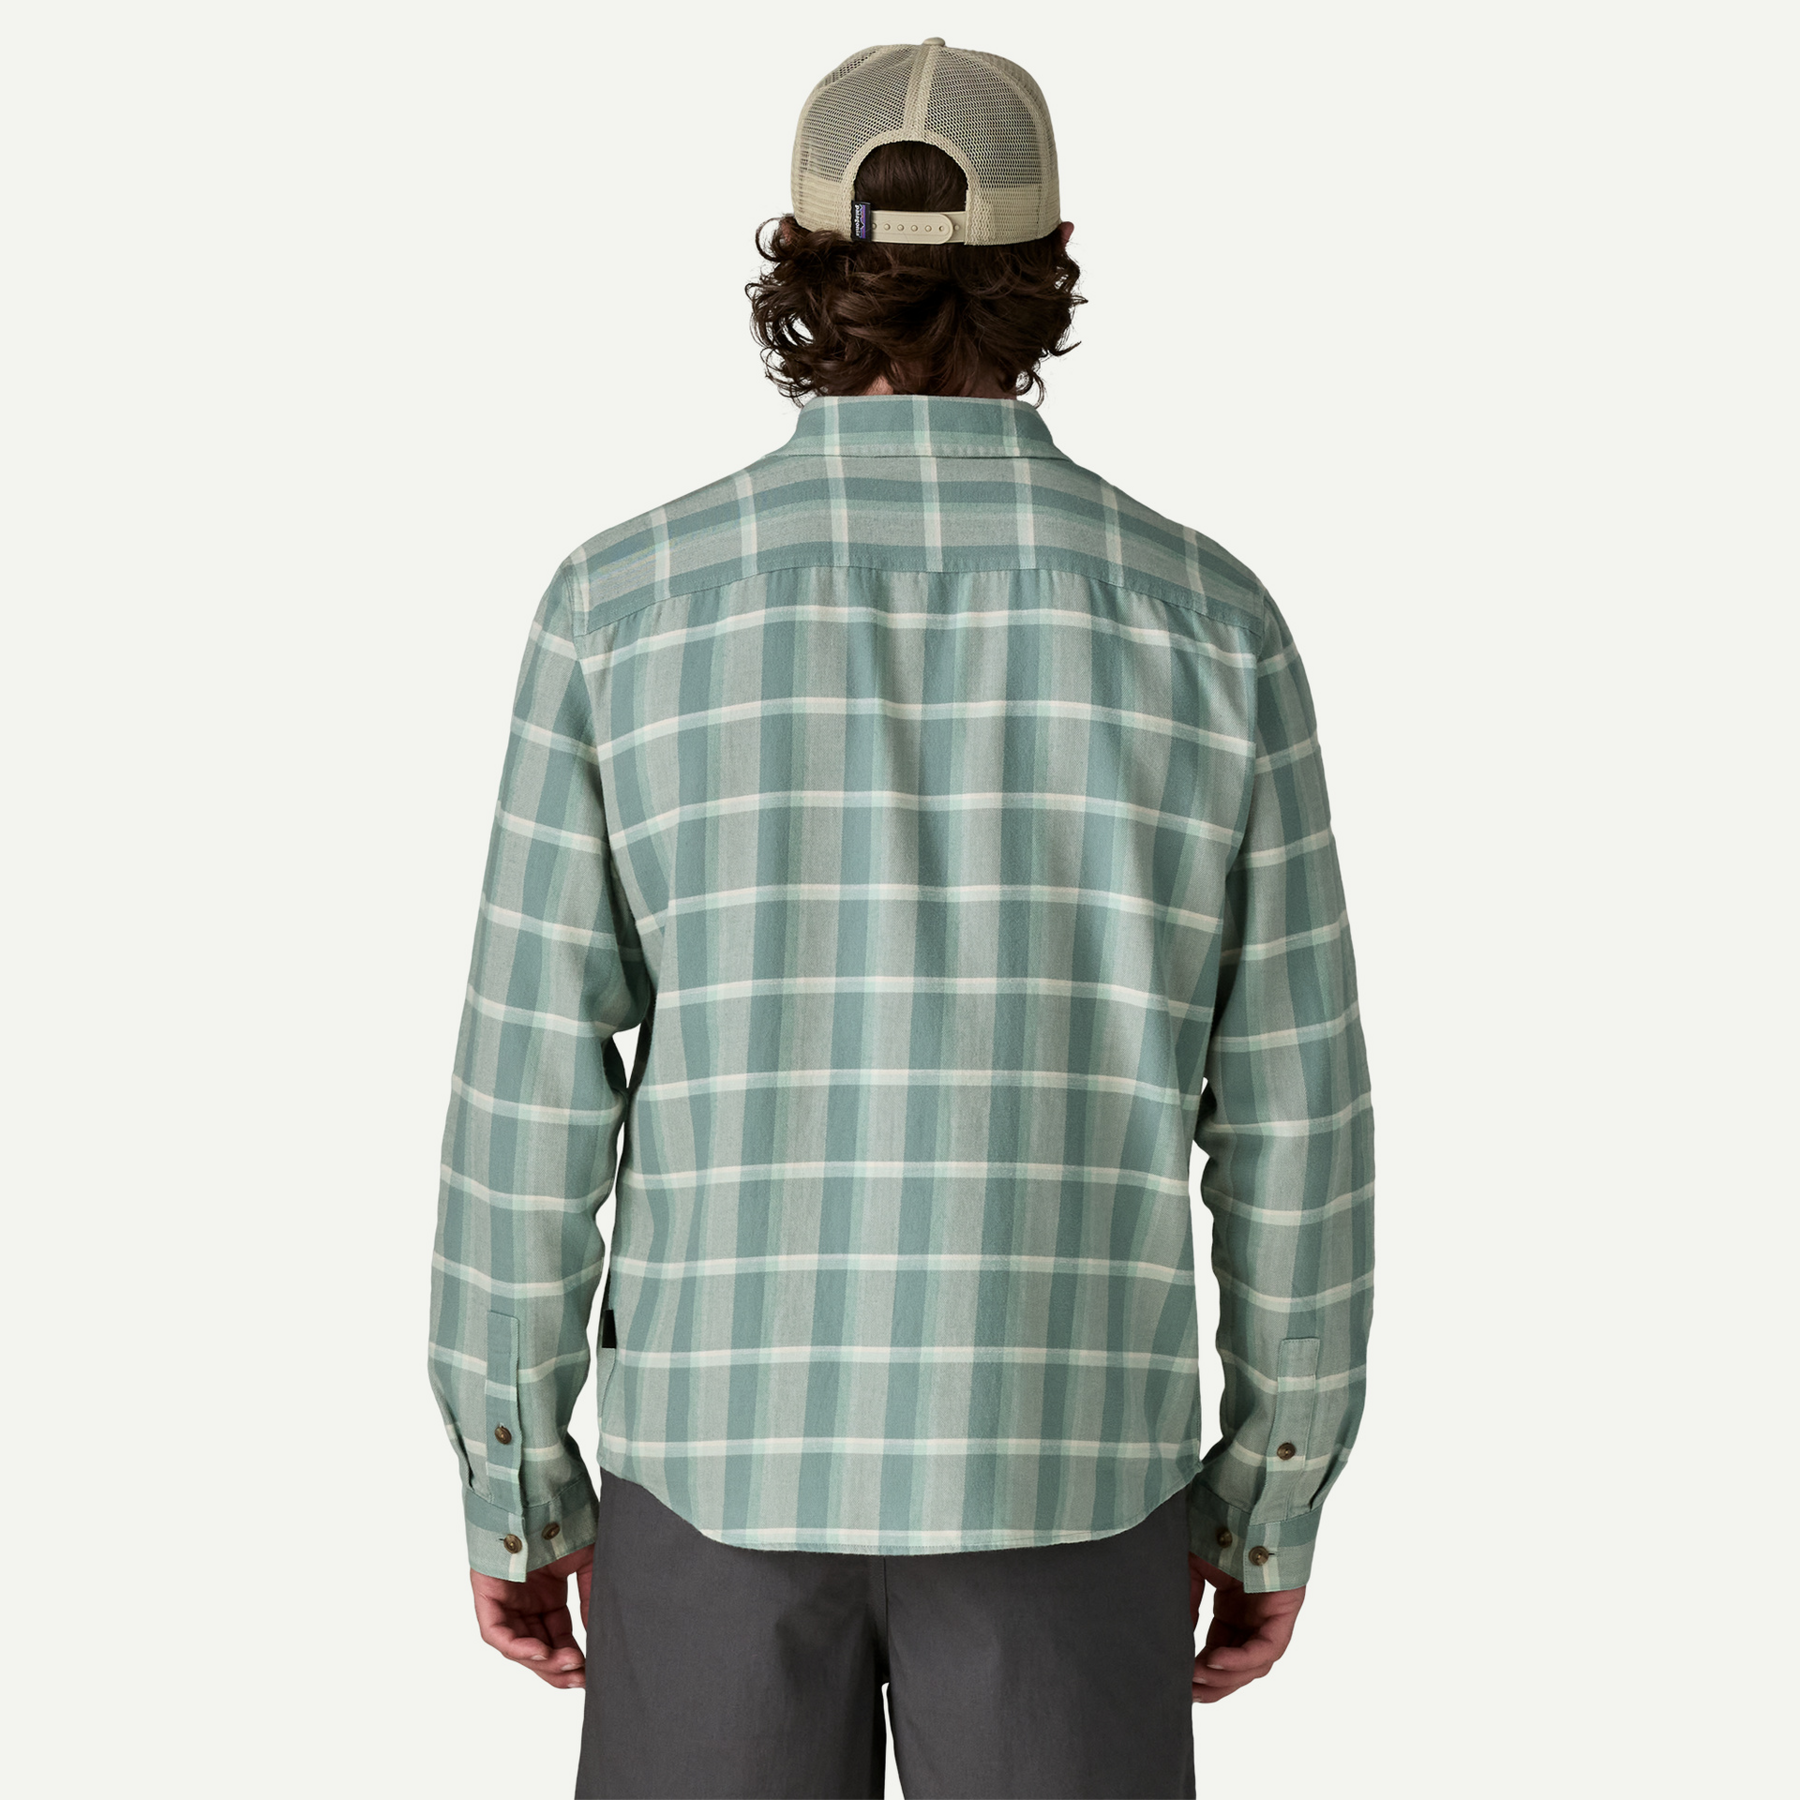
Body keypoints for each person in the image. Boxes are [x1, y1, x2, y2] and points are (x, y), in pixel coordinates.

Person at [428, 37, 1374, 1800]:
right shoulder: (1215, 625)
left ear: (797, 259)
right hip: (1072, 1473)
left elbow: (528, 1091)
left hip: (714, 1475)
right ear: (1050, 261)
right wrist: (1272, 1490)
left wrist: (514, 1472)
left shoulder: (621, 610)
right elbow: (1297, 1120)